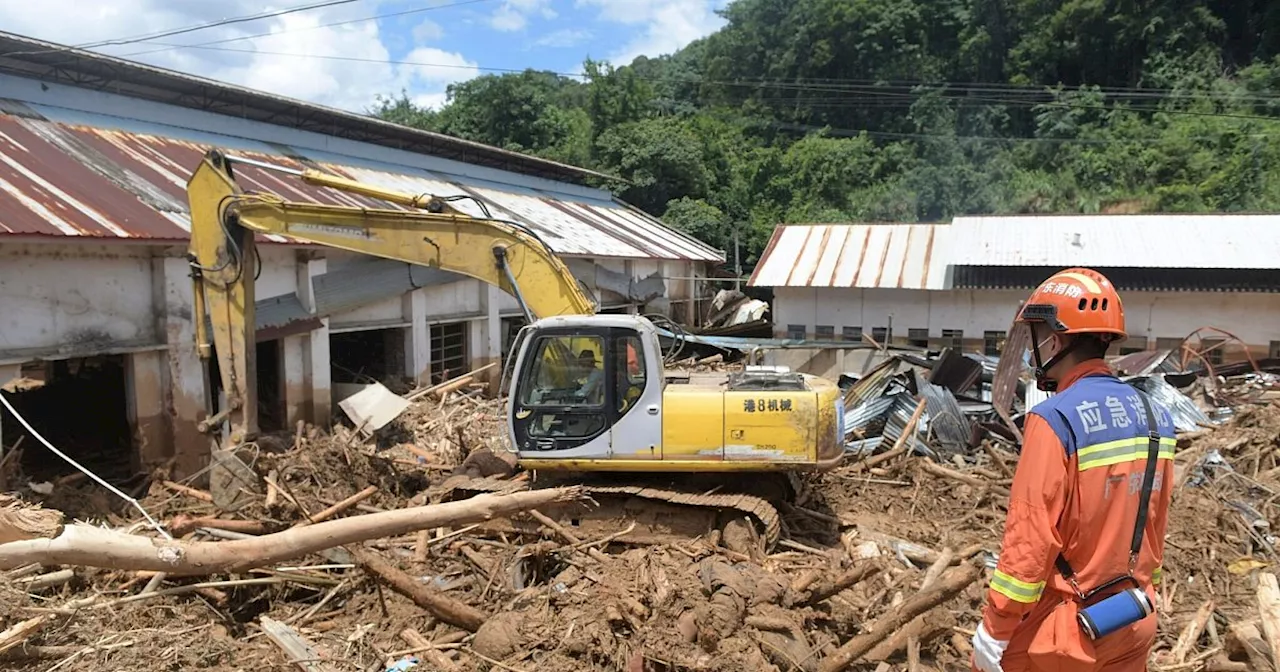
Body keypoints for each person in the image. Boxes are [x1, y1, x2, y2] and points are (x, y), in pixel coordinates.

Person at [972, 268, 1177, 672]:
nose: (1035, 352)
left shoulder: (1055, 420)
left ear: (1058, 338)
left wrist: (995, 628)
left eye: (1038, 338)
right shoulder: (1157, 417)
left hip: (1067, 630)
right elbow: (1156, 522)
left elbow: (1030, 540)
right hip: (1133, 614)